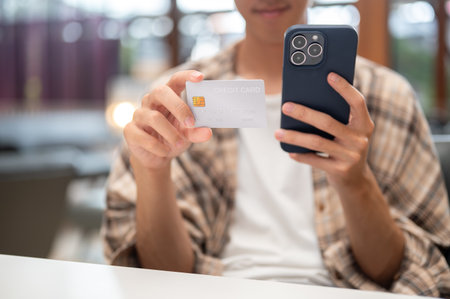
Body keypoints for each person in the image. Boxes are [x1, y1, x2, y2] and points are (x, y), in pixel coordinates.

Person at [102, 0, 450, 296]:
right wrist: (152, 170)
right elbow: (161, 275)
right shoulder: (176, 101)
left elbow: (405, 271)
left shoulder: (388, 97)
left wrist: (355, 181)